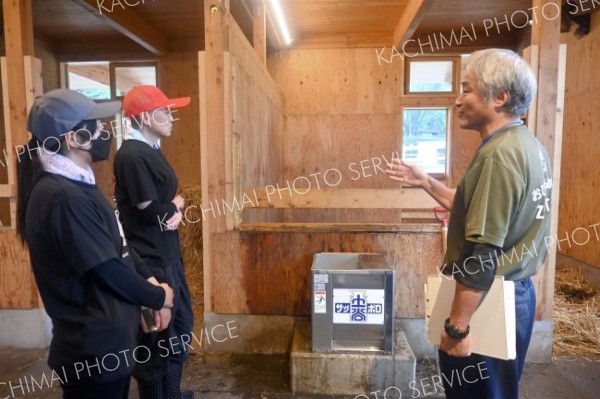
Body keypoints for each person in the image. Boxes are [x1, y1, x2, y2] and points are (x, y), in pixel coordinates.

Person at [386, 49, 552, 398]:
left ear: (500, 97)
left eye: (466, 89)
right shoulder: (527, 145)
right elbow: (476, 213)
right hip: (513, 293)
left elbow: (482, 251)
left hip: (485, 300)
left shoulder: (498, 157)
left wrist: (457, 327)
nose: (458, 101)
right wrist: (426, 182)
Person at [17, 89, 175, 399]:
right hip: (91, 349)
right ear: (75, 138)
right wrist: (157, 296)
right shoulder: (63, 198)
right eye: (99, 127)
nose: (106, 133)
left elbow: (119, 244)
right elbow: (106, 268)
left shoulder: (79, 181)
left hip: (107, 342)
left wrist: (150, 279)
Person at [113, 85, 194, 399]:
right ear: (145, 117)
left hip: (167, 253)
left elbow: (162, 211)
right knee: (157, 337)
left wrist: (175, 206)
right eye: (165, 111)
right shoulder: (132, 155)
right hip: (151, 260)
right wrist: (178, 203)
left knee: (179, 328)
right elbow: (152, 212)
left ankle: (171, 394)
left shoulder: (150, 149)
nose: (172, 117)